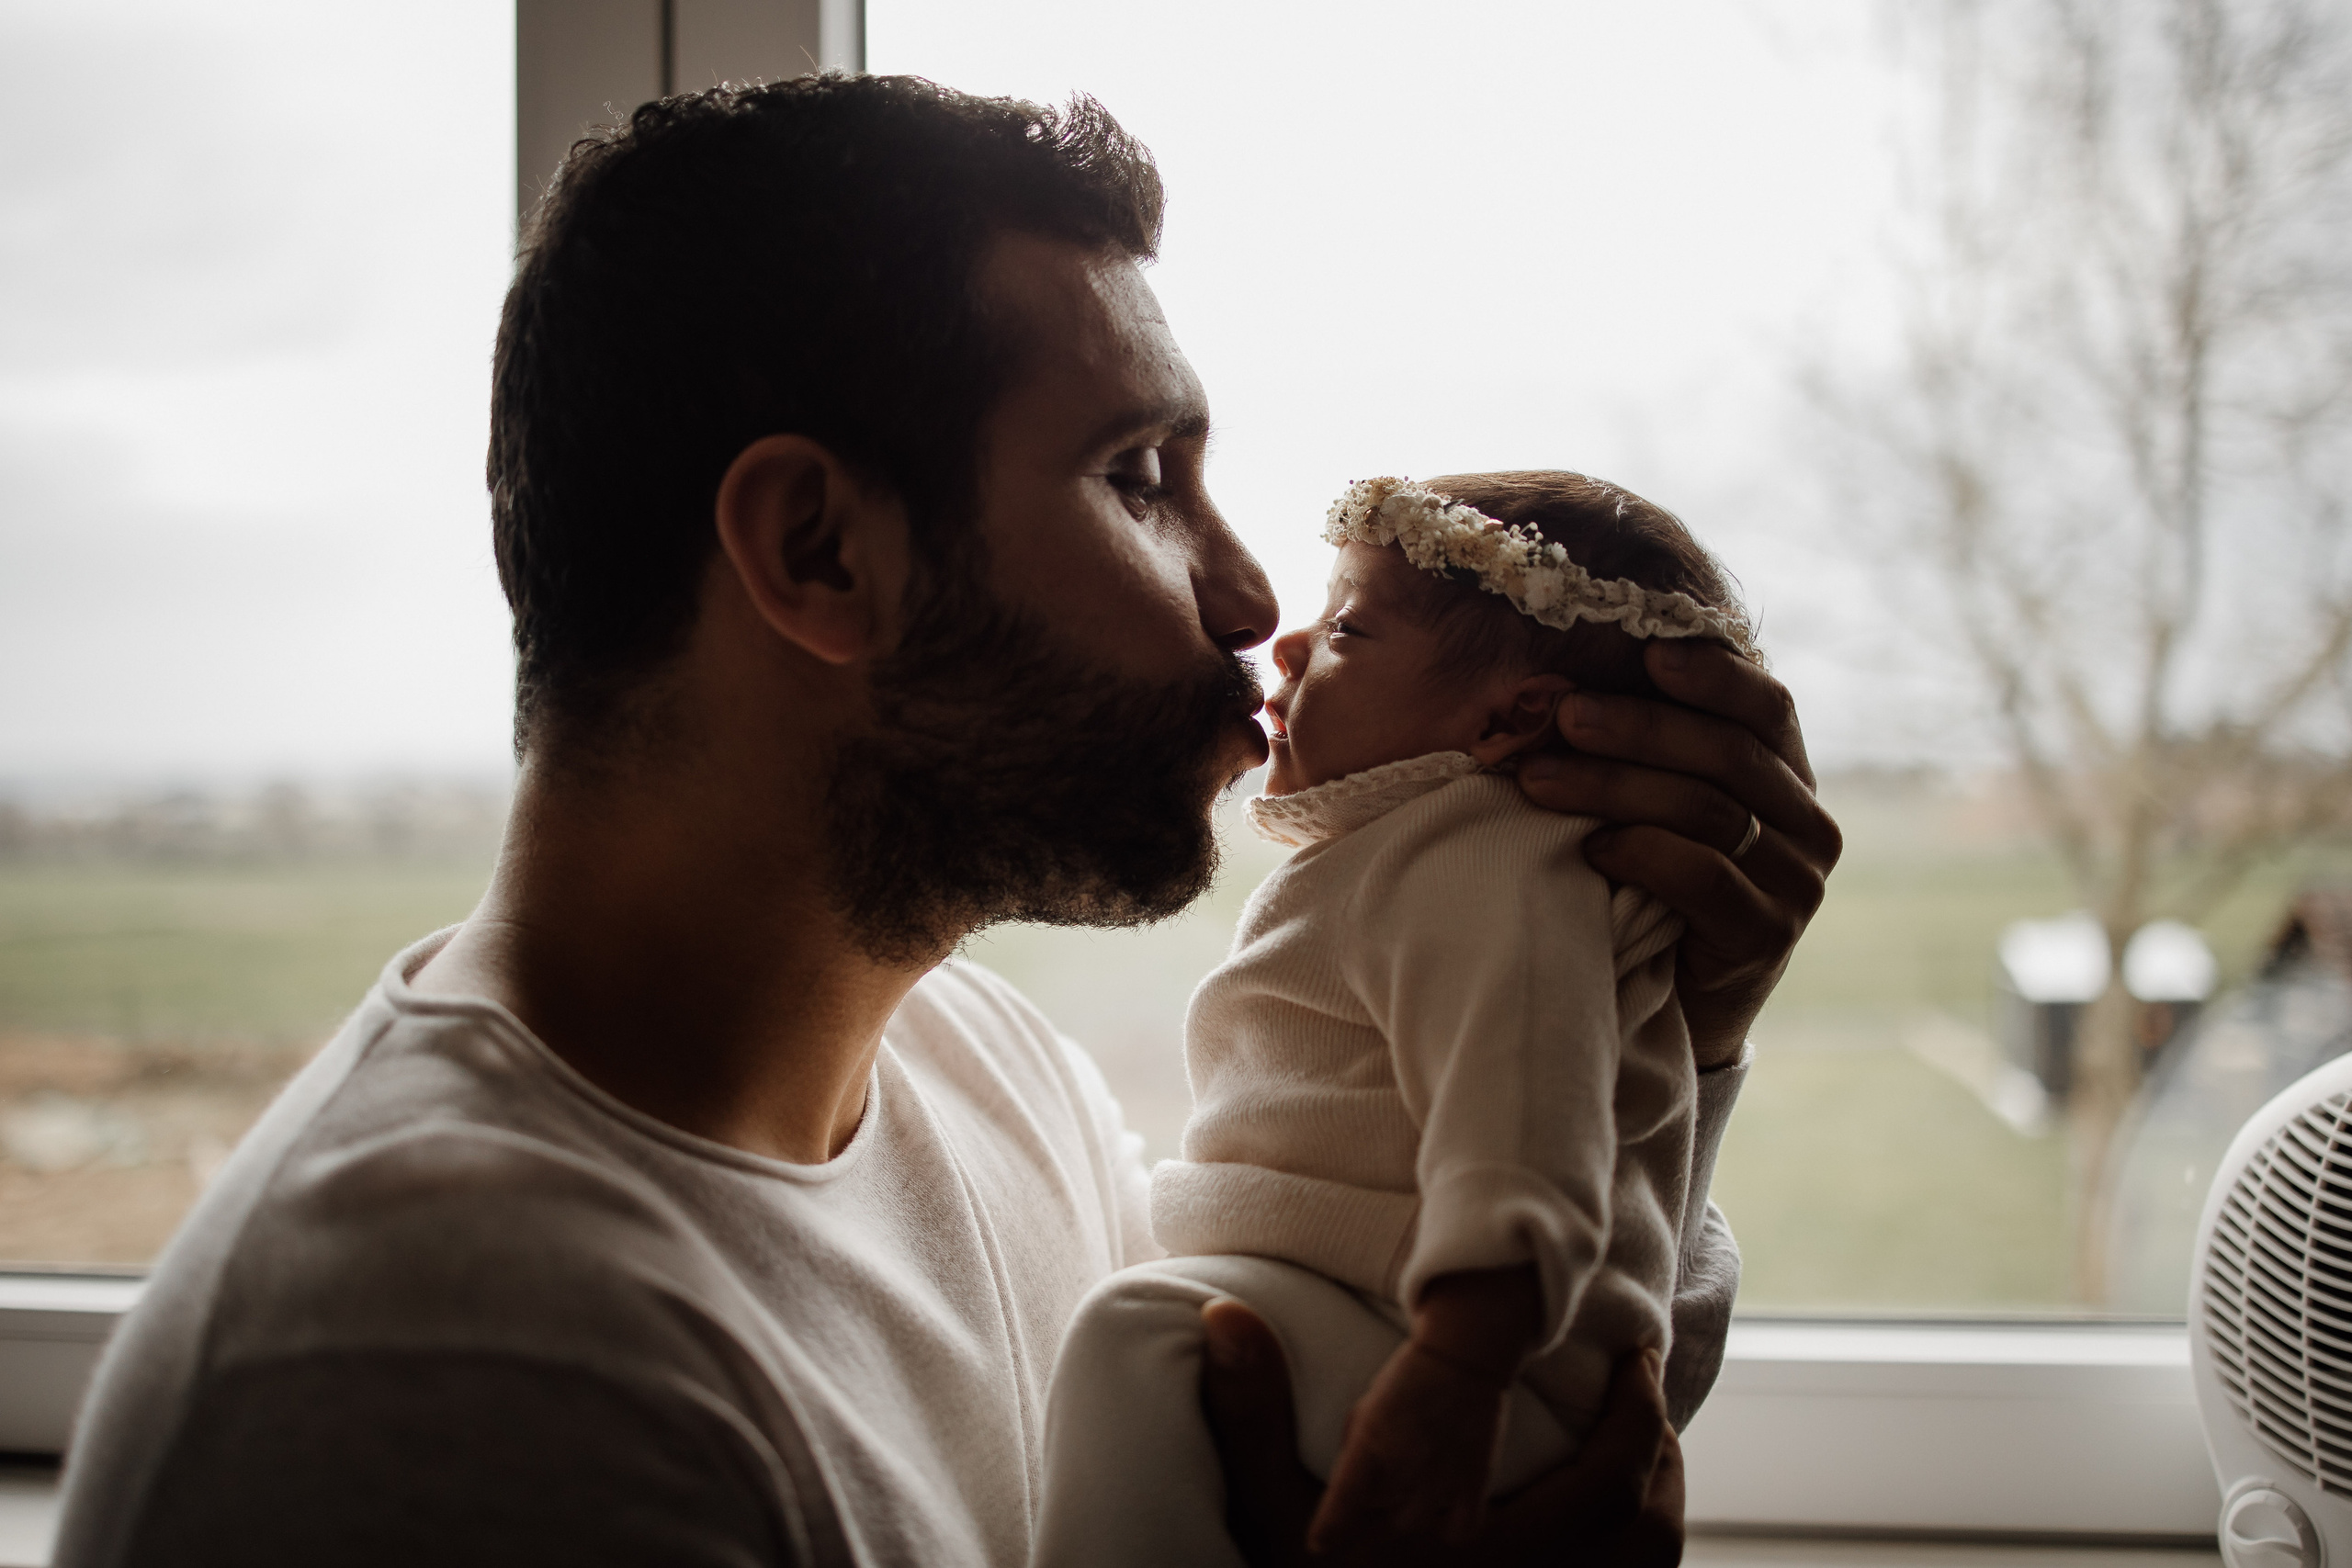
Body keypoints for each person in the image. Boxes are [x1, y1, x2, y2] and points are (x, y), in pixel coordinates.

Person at [49, 76, 1840, 1568]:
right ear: (817, 550)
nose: (1237, 599)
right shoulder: (454, 1376)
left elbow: (1353, 1344)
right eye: (1137, 479)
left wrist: (1678, 1009)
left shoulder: (985, 1074)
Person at [1035, 472, 1760, 1567]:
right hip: (1425, 1335)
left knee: (1142, 1341)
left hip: (1456, 1360)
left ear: (1511, 716)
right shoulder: (1437, 856)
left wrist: (1460, 1375)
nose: (1287, 642)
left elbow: (1524, 1118)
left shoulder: (1477, 850)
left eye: (1351, 629)